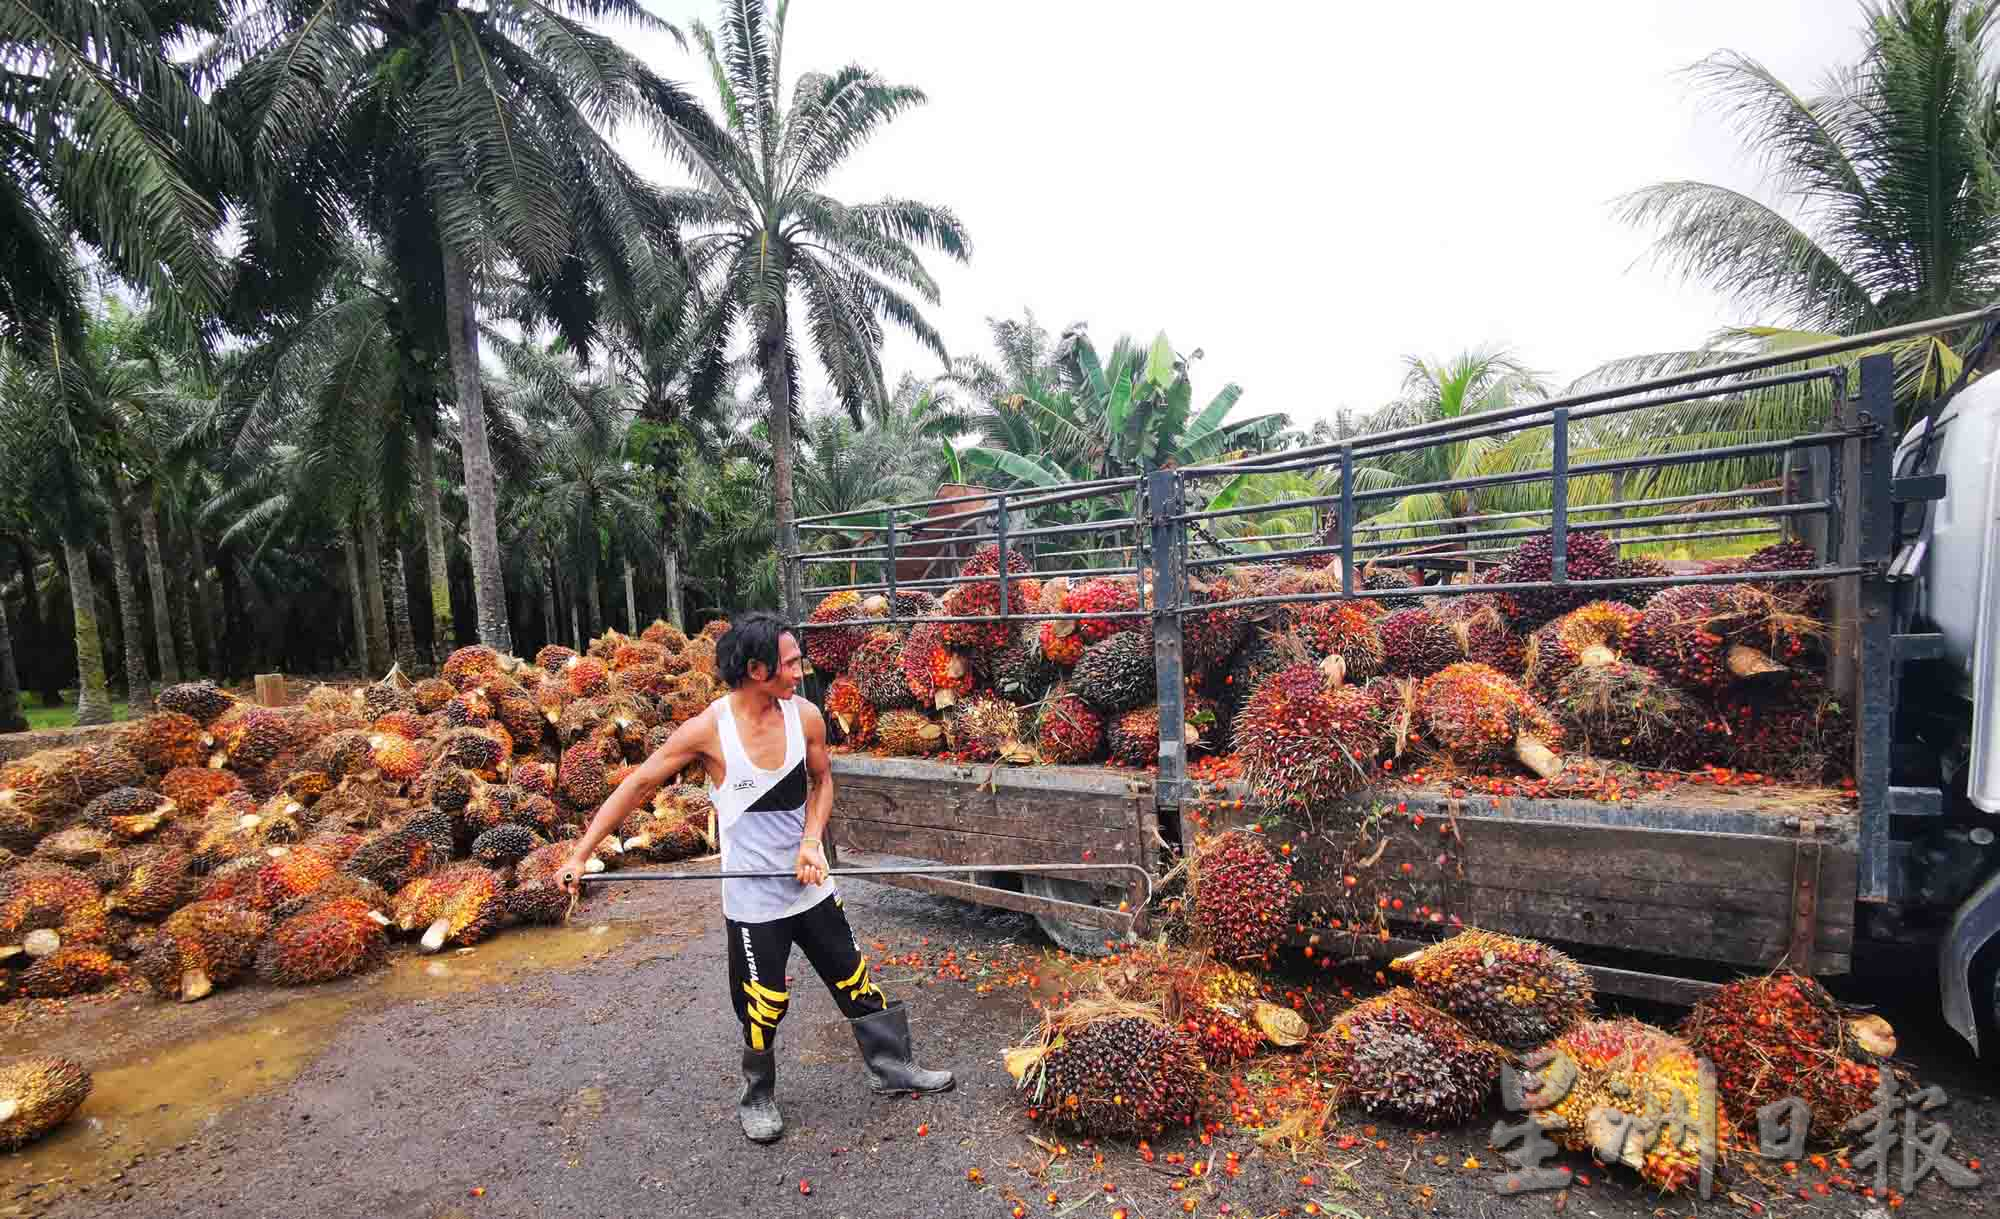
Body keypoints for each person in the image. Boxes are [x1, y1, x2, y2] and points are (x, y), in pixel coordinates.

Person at [556, 612, 953, 1143]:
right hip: (753, 902)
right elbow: (637, 785)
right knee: (762, 1006)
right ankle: (758, 1093)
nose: (800, 671)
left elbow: (823, 783)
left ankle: (894, 1067)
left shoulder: (805, 717)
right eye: (789, 663)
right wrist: (581, 854)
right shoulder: (708, 731)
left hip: (810, 885)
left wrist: (812, 841)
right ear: (756, 668)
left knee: (854, 978)